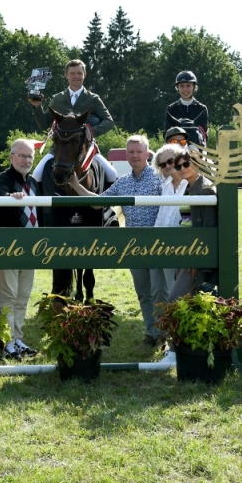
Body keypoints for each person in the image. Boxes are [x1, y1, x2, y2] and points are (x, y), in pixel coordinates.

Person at [68, 135, 167, 346]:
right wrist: (76, 185)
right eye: (131, 152)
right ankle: (152, 333)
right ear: (126, 155)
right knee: (143, 292)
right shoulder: (123, 182)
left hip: (158, 243)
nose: (135, 155)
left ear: (147, 154)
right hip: (134, 246)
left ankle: (165, 334)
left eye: (139, 151)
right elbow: (98, 203)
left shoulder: (160, 178)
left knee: (159, 291)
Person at [0, 139, 42, 359]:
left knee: (22, 295)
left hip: (30, 248)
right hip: (9, 248)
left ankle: (17, 338)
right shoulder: (2, 180)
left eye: (30, 156)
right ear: (11, 157)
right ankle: (6, 341)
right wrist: (10, 198)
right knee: (8, 295)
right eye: (22, 155)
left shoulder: (34, 182)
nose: (26, 160)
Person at [28, 58, 117, 183]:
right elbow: (43, 125)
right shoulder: (57, 99)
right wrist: (37, 107)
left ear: (84, 75)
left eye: (79, 73)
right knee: (36, 175)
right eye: (72, 73)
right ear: (66, 75)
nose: (76, 76)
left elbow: (109, 121)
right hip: (58, 150)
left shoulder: (93, 99)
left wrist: (91, 132)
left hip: (86, 149)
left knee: (112, 174)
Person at [164, 150, 218, 301]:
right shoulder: (189, 189)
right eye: (178, 166)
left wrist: (196, 259)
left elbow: (208, 229)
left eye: (186, 164)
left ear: (198, 164)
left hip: (195, 255)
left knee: (174, 301)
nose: (182, 169)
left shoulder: (206, 190)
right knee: (187, 304)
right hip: (185, 251)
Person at [151, 143, 189, 298]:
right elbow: (162, 215)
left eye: (171, 161)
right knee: (159, 292)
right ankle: (160, 323)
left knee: (176, 294)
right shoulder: (166, 186)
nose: (167, 166)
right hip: (161, 245)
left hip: (182, 246)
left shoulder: (190, 183)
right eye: (162, 164)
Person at [164, 70, 209, 145]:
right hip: (176, 146)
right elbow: (166, 132)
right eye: (182, 86)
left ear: (194, 87)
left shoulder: (202, 109)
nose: (185, 89)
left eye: (188, 85)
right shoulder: (171, 108)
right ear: (177, 88)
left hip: (196, 147)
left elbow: (204, 133)